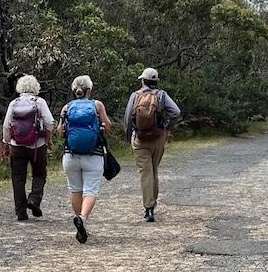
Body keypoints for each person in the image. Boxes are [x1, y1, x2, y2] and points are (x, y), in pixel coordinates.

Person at [58, 75, 113, 243]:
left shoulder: (66, 107)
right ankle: (82, 218)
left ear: (75, 91)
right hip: (93, 156)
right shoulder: (97, 105)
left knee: (75, 190)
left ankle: (80, 222)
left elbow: (60, 133)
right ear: (90, 90)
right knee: (90, 191)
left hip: (70, 155)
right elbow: (109, 127)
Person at [123, 67, 181, 223]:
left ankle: (148, 209)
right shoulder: (162, 95)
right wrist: (167, 129)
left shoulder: (135, 96)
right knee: (153, 170)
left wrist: (129, 138)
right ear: (156, 82)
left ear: (143, 80)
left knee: (145, 172)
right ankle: (152, 205)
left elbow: (128, 119)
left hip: (139, 139)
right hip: (158, 138)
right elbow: (176, 112)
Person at [0, 74, 56, 221]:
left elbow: (6, 126)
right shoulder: (40, 102)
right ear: (35, 87)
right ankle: (34, 200)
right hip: (37, 145)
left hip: (16, 146)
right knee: (39, 174)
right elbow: (50, 122)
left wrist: (6, 144)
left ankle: (21, 212)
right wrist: (48, 139)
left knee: (18, 178)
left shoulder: (14, 103)